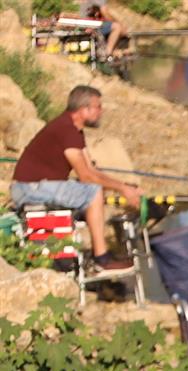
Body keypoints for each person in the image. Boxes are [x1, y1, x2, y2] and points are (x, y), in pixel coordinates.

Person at [8, 85, 137, 272]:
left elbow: (91, 170)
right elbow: (86, 176)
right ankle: (102, 259)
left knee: (94, 189)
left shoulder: (74, 130)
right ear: (83, 109)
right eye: (98, 107)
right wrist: (122, 189)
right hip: (29, 188)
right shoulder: (66, 129)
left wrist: (124, 186)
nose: (101, 111)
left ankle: (92, 250)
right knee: (92, 192)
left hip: (35, 187)